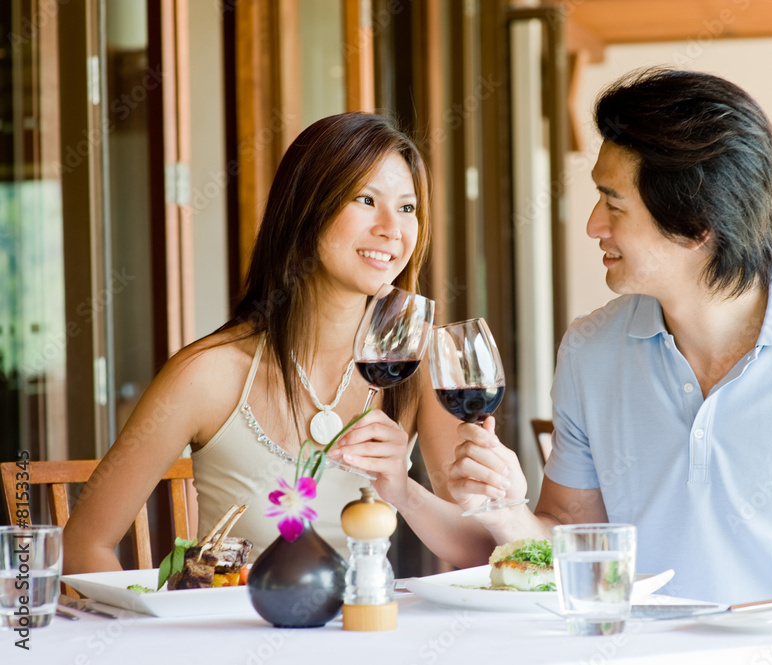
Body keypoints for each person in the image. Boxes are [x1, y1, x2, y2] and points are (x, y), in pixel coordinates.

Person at [447, 68, 772, 635]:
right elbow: (576, 540)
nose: (594, 226)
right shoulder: (590, 350)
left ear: (696, 223)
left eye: (613, 204)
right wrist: (506, 511)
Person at [64, 112, 492, 572]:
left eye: (407, 208)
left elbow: (480, 547)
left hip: (370, 617)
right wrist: (148, 620)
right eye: (366, 200)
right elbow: (84, 545)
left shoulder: (417, 367)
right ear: (307, 211)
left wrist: (405, 492)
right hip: (238, 619)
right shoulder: (207, 375)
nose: (392, 228)